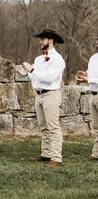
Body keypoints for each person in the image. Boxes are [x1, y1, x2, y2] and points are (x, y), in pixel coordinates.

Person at [21, 29, 65, 168]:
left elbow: (49, 78)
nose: (40, 42)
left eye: (43, 39)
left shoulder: (58, 59)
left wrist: (32, 70)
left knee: (53, 127)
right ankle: (46, 154)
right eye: (40, 39)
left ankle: (56, 158)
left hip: (51, 95)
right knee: (43, 127)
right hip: (39, 95)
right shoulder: (38, 59)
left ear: (51, 41)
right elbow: (36, 77)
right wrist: (26, 73)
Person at [75, 34, 98, 161]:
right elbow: (90, 74)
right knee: (96, 126)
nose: (97, 42)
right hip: (93, 95)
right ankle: (96, 154)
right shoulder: (93, 58)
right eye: (96, 40)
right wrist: (84, 75)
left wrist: (89, 79)